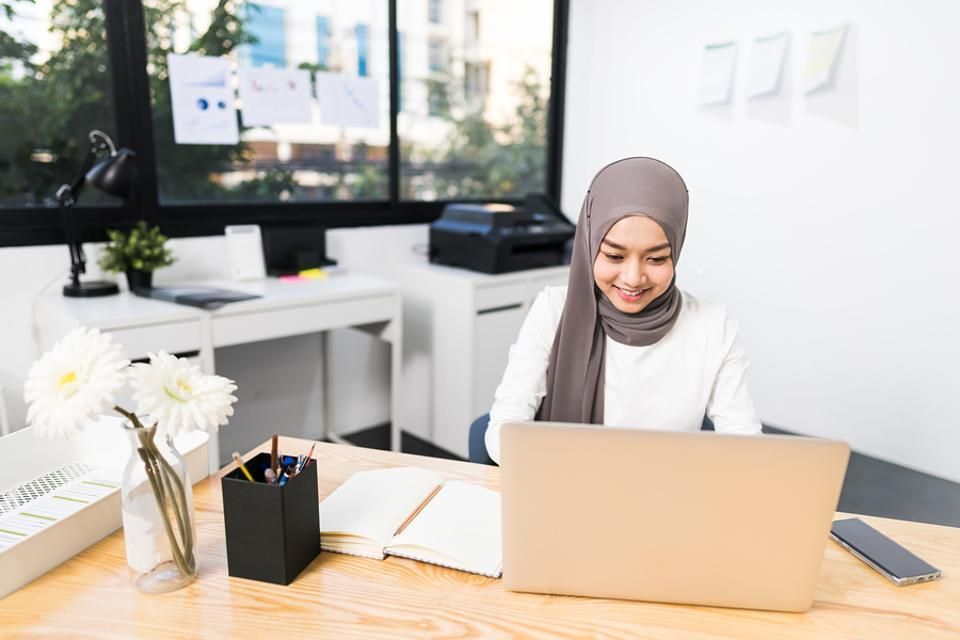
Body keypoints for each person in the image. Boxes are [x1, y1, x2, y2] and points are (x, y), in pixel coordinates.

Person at [484, 157, 762, 464]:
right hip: (566, 492)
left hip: (665, 499)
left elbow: (745, 446)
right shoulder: (553, 309)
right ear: (590, 246)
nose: (633, 278)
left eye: (656, 259)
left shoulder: (713, 325)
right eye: (614, 256)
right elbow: (504, 429)